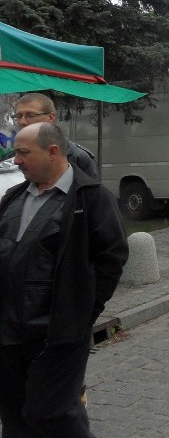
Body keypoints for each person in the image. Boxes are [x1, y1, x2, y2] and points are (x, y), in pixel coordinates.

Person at [0, 122, 128, 436]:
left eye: (23, 153)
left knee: (53, 414)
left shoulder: (91, 198)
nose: (15, 160)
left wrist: (83, 312)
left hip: (56, 337)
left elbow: (112, 258)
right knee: (14, 417)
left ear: (53, 152)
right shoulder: (14, 197)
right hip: (6, 335)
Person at [13, 93, 98, 179]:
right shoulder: (10, 156)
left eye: (30, 115)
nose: (22, 122)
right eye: (18, 116)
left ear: (50, 117)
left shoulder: (77, 157)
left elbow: (90, 191)